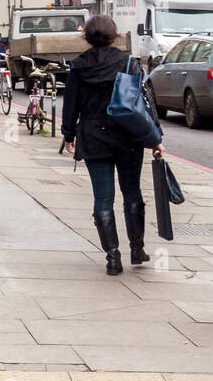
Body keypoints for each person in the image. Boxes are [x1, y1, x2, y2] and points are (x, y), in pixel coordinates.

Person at [62, 15, 165, 275]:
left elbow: (70, 105)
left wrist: (68, 134)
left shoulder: (78, 67)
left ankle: (112, 257)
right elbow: (143, 104)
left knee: (103, 198)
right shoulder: (128, 63)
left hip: (93, 135)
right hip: (127, 135)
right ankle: (137, 249)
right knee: (132, 192)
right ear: (114, 35)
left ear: (86, 36)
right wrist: (155, 138)